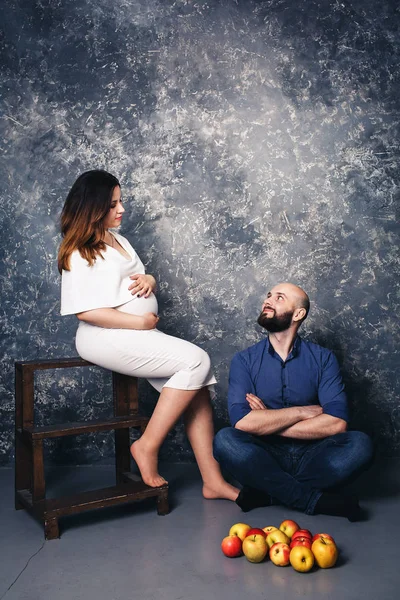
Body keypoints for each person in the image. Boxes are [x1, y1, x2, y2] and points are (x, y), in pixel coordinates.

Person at [58, 169, 238, 501]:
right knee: (197, 360)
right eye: (113, 204)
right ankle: (146, 446)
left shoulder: (119, 240)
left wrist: (151, 280)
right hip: (103, 336)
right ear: (93, 207)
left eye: (120, 201)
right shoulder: (79, 250)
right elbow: (85, 312)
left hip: (135, 334)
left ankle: (213, 480)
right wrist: (138, 323)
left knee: (196, 384)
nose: (121, 209)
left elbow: (140, 277)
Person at [213, 283, 374, 520]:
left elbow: (336, 424)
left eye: (279, 298)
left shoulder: (323, 359)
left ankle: (270, 493)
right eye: (268, 296)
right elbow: (243, 422)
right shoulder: (244, 360)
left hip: (315, 454)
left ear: (298, 314)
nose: (268, 301)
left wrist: (269, 420)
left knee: (361, 445)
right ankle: (313, 500)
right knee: (225, 440)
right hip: (265, 453)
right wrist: (302, 412)